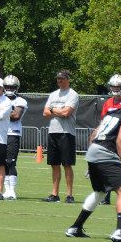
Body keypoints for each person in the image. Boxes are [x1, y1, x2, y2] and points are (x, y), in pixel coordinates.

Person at [66, 85, 121, 242]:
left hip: (94, 151)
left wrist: (93, 158)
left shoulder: (114, 112)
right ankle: (120, 231)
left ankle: (75, 227)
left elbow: (94, 134)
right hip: (107, 153)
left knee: (100, 192)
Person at [44, 70, 79, 203]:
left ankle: (69, 195)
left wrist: (53, 110)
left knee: (67, 164)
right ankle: (54, 194)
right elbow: (45, 113)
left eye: (62, 78)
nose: (60, 80)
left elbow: (67, 113)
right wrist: (56, 111)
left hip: (66, 133)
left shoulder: (73, 94)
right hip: (53, 132)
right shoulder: (53, 94)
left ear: (68, 79)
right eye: (58, 78)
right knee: (54, 164)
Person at [95, 74, 121, 205]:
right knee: (107, 165)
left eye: (117, 86)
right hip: (109, 138)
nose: (115, 88)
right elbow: (103, 121)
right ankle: (106, 196)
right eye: (113, 86)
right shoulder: (108, 102)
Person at [1, 75, 27, 200]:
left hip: (13, 133)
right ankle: (7, 190)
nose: (9, 89)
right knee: (2, 163)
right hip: (0, 134)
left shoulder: (20, 101)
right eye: (7, 86)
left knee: (10, 162)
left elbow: (16, 116)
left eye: (12, 87)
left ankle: (12, 191)